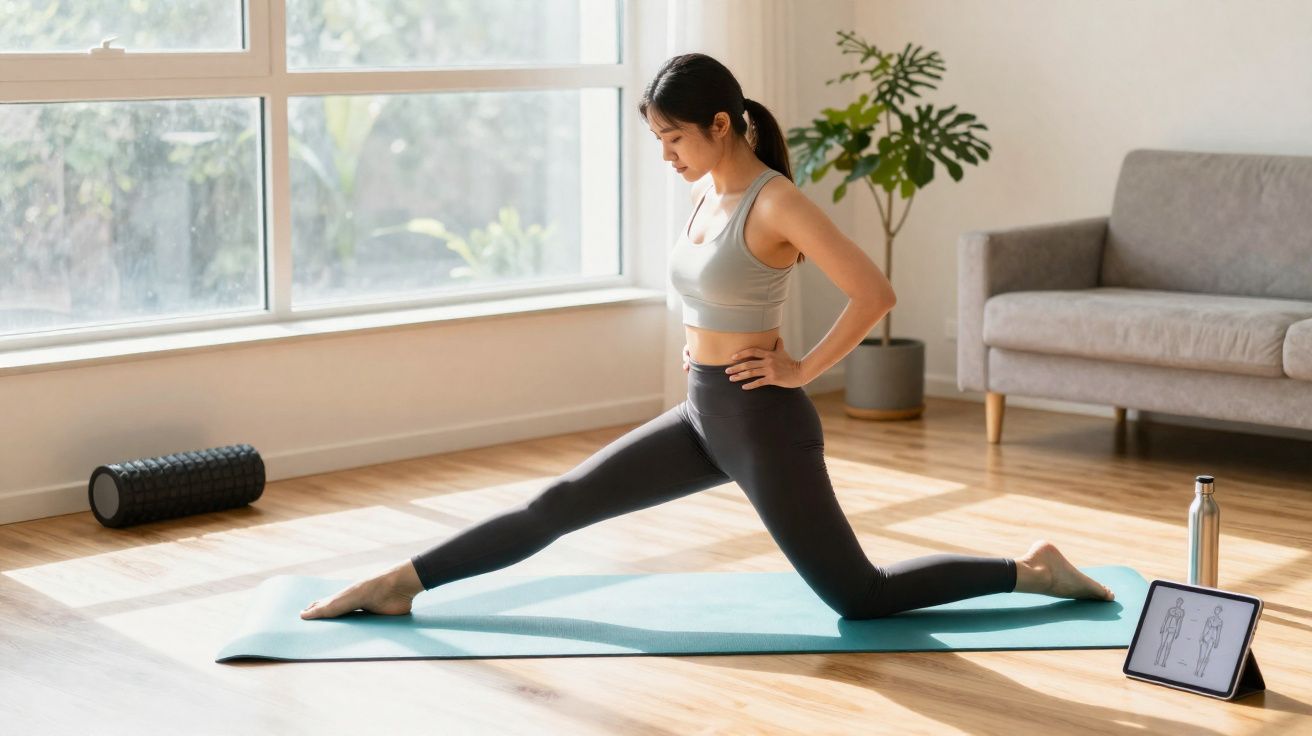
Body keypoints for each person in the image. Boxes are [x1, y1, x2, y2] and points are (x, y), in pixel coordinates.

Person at [301, 52, 1114, 621]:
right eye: (658, 140)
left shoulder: (774, 202)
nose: (666, 155)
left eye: (674, 138)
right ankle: (404, 580)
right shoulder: (705, 199)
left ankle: (1029, 570)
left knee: (859, 597)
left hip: (761, 421)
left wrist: (801, 369)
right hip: (701, 412)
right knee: (556, 504)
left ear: (720, 124)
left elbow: (876, 292)